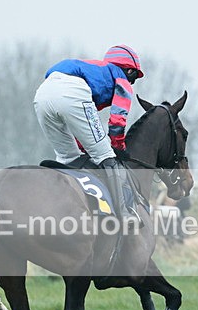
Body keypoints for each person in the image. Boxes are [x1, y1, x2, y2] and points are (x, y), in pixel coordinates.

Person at [34, 44, 144, 228]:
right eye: (134, 77)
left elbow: (80, 125)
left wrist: (86, 147)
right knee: (107, 157)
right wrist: (118, 147)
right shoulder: (120, 77)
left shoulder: (96, 72)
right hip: (72, 91)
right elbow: (117, 121)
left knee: (68, 158)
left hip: (42, 94)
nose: (132, 83)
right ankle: (126, 214)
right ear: (130, 70)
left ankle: (58, 207)